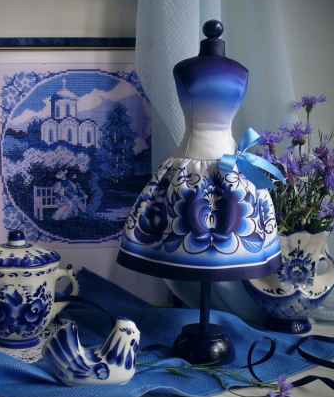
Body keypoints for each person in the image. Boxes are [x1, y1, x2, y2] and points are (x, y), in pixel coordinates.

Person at [117, 20, 282, 282]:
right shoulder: (184, 69)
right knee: (180, 219)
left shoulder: (241, 71)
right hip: (189, 167)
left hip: (231, 166)